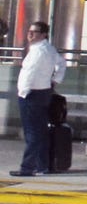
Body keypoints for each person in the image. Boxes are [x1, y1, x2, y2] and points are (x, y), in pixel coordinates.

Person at [11, 21, 66, 177]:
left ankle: (28, 167)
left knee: (32, 132)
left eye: (34, 32)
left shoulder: (39, 51)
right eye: (30, 31)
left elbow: (30, 74)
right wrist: (55, 80)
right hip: (42, 93)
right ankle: (42, 166)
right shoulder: (47, 49)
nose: (30, 34)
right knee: (40, 130)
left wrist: (23, 92)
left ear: (43, 34)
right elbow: (62, 64)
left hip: (32, 94)